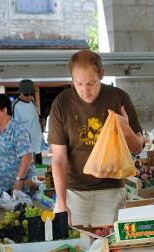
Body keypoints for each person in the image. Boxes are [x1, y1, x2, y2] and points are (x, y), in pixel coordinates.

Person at [48, 49, 144, 226]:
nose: (85, 91)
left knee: (106, 247)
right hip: (73, 191)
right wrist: (61, 202)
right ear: (72, 79)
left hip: (111, 191)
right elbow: (59, 159)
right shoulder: (61, 104)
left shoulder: (118, 98)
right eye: (79, 84)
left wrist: (127, 130)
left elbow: (137, 148)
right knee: (73, 246)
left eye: (91, 83)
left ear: (102, 74)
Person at [13, 79, 44, 164]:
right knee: (28, 173)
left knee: (39, 171)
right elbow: (15, 128)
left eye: (32, 94)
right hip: (26, 148)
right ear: (20, 93)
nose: (30, 96)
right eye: (27, 94)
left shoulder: (32, 102)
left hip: (37, 144)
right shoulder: (16, 106)